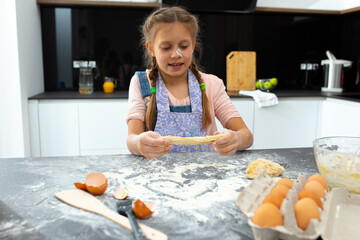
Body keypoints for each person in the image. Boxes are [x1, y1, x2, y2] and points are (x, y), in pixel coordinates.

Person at [126, 6, 253, 159]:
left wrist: (236, 139)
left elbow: (246, 135)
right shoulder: (142, 83)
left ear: (193, 45)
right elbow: (131, 139)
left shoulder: (211, 85)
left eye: (184, 46)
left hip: (205, 176)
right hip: (157, 176)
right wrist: (139, 143)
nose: (176, 54)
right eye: (166, 47)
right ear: (151, 48)